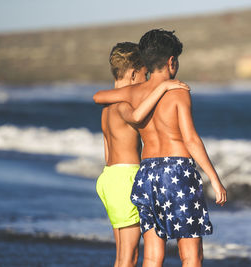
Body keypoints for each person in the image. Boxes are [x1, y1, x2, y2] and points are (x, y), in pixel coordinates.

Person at [94, 29, 227, 267]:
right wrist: (215, 179)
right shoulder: (177, 91)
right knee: (191, 256)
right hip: (177, 172)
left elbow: (100, 96)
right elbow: (191, 140)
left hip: (146, 173)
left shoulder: (132, 94)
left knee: (153, 256)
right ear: (171, 61)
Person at [94, 42, 189, 267]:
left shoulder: (106, 106)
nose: (146, 80)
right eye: (145, 74)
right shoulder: (122, 102)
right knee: (130, 257)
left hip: (109, 177)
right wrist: (163, 88)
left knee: (122, 256)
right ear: (134, 72)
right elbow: (137, 116)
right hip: (127, 177)